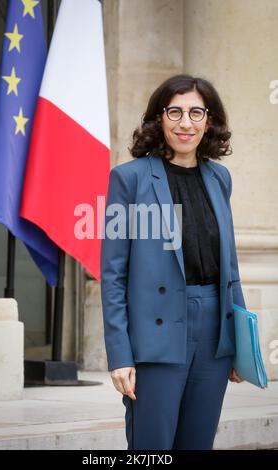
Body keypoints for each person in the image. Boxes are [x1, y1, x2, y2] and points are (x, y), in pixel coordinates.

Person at [100, 74, 246, 450]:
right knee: (152, 446)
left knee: (198, 442)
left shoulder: (220, 178)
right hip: (155, 332)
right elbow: (113, 274)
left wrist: (240, 343)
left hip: (215, 332)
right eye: (175, 112)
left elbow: (229, 267)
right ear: (159, 119)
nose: (186, 123)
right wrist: (120, 354)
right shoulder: (128, 179)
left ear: (209, 120)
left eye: (196, 112)